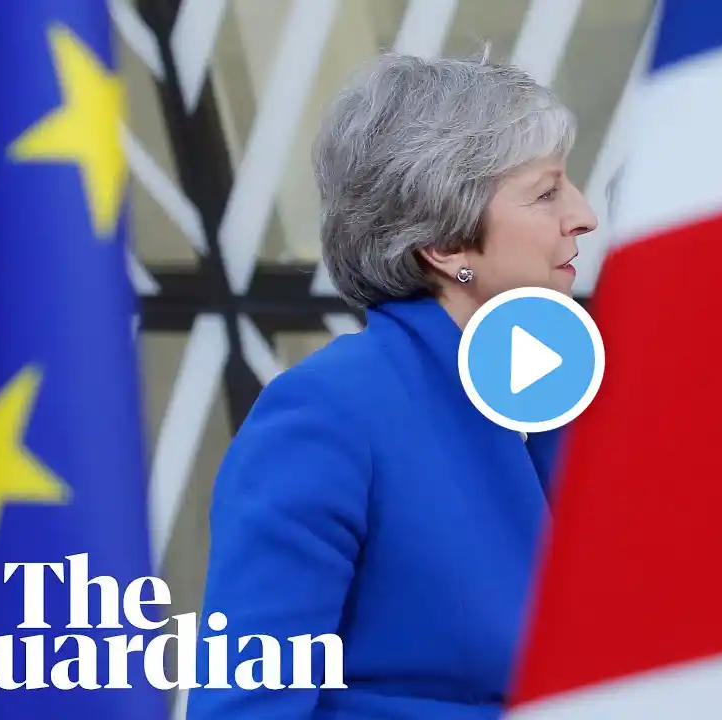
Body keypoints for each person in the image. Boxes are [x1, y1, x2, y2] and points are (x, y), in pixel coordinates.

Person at [185, 50, 598, 719]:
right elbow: (247, 708)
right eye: (547, 193)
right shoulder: (329, 412)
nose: (583, 215)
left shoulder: (575, 397)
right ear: (447, 245)